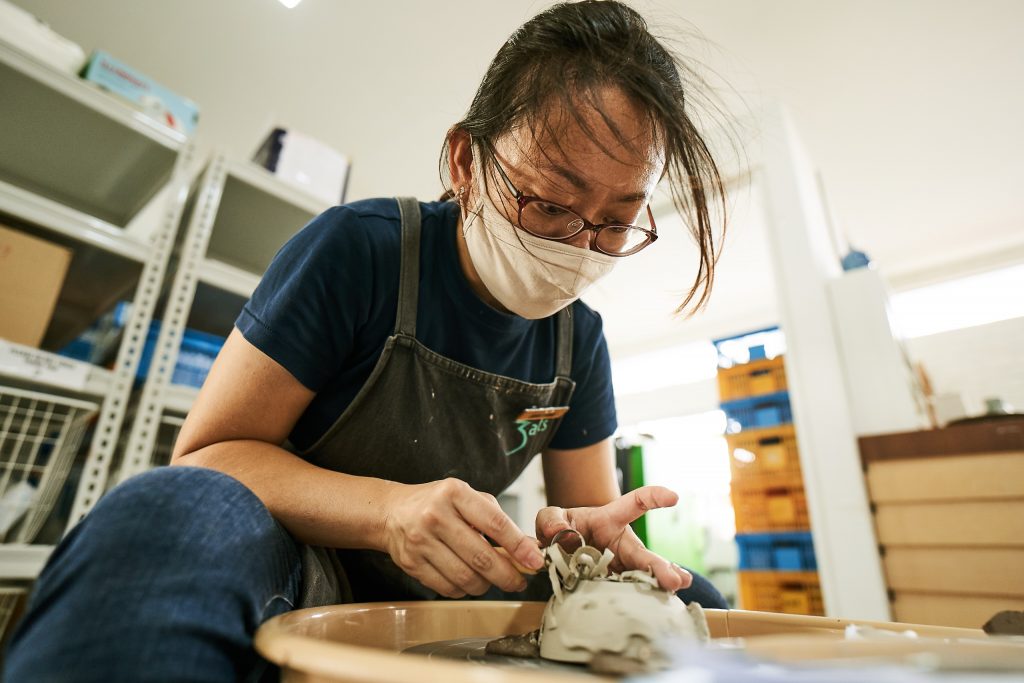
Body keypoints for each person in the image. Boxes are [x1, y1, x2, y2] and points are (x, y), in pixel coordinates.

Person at [5, 1, 728, 680]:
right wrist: (388, 511)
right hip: (299, 560)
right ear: (465, 163)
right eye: (548, 204)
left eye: (615, 222)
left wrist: (586, 540)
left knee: (698, 603)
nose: (580, 245)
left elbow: (589, 525)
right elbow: (207, 452)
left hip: (465, 581)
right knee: (172, 514)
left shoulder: (582, 341)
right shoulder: (361, 252)